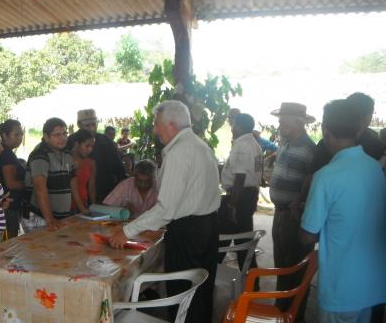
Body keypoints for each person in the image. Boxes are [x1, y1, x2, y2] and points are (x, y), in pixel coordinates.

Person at [109, 100, 220, 323]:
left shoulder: (179, 152)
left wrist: (127, 231)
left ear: (171, 124)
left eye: (156, 123)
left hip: (189, 231)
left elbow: (165, 209)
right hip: (207, 227)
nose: (154, 129)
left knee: (184, 294)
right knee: (199, 292)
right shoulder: (198, 144)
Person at [300, 100, 386, 323]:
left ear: (325, 129)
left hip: (340, 287)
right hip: (370, 284)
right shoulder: (374, 169)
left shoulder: (326, 177)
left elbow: (307, 235)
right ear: (358, 130)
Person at [268, 102, 316, 320]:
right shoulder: (285, 143)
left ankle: (293, 315)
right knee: (281, 265)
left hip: (293, 216)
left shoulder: (309, 149)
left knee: (294, 268)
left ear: (298, 123)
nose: (279, 126)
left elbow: (314, 183)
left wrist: (300, 204)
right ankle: (281, 311)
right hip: (280, 212)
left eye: (283, 122)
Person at [218, 113, 263, 270]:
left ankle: (210, 275)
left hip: (239, 198)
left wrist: (232, 205)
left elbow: (240, 178)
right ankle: (252, 282)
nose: (232, 127)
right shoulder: (253, 143)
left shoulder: (242, 145)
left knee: (221, 238)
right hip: (248, 196)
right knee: (243, 241)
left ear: (241, 126)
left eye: (234, 124)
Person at [24, 117, 79, 231]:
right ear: (46, 136)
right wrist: (50, 219)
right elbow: (40, 187)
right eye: (57, 135)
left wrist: (82, 208)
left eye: (64, 133)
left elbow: (73, 182)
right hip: (39, 217)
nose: (62, 138)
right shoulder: (40, 154)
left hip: (60, 218)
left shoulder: (67, 154)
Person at [67, 109, 126, 203]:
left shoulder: (106, 141)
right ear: (79, 124)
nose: (91, 128)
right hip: (76, 200)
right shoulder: (69, 142)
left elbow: (119, 169)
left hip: (105, 196)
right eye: (87, 125)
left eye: (94, 124)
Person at [0, 119, 26, 238]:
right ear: (5, 135)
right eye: (16, 134)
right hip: (8, 205)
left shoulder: (5, 152)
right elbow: (11, 184)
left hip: (2, 204)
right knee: (9, 244)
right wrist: (30, 183)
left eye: (21, 134)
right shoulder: (6, 154)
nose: (20, 138)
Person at [70, 129, 96, 213]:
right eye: (87, 146)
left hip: (84, 205)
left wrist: (94, 206)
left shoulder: (91, 163)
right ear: (77, 144)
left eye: (92, 146)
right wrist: (82, 209)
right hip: (67, 208)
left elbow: (91, 187)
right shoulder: (67, 160)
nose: (90, 149)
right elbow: (73, 187)